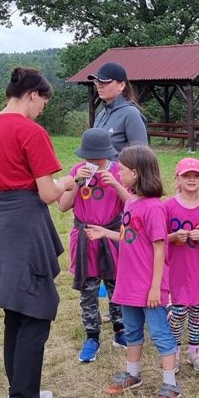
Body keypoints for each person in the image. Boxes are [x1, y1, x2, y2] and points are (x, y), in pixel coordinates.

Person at [0, 67, 76, 398]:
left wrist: (7, 189)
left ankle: (19, 392)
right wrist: (70, 181)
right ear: (33, 94)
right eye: (43, 103)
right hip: (24, 231)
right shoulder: (30, 131)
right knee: (36, 312)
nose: (42, 110)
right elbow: (49, 194)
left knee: (16, 314)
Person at [86, 145, 180, 398]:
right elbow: (130, 237)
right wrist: (106, 233)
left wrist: (155, 287)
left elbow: (160, 248)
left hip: (149, 286)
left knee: (160, 333)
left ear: (136, 173)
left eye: (123, 170)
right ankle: (133, 374)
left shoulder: (154, 208)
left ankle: (171, 384)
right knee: (132, 330)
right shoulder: (130, 202)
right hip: (128, 284)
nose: (119, 173)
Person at [58, 128, 130, 363]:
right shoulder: (77, 171)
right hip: (85, 237)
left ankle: (120, 329)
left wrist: (116, 185)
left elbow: (133, 205)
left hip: (111, 234)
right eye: (89, 156)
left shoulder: (119, 171)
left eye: (98, 157)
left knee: (116, 285)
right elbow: (62, 206)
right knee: (88, 289)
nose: (94, 161)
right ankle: (91, 336)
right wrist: (76, 183)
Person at [164, 157, 199, 373]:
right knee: (178, 312)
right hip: (174, 269)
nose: (191, 179)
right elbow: (158, 238)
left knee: (196, 310)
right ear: (177, 178)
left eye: (196, 175)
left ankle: (194, 350)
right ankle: (174, 350)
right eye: (186, 175)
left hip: (198, 270)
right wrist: (174, 237)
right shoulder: (167, 206)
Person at [89, 62, 148, 154]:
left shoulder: (131, 114)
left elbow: (141, 155)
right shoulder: (101, 115)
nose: (100, 86)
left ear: (121, 85)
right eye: (97, 81)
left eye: (106, 82)